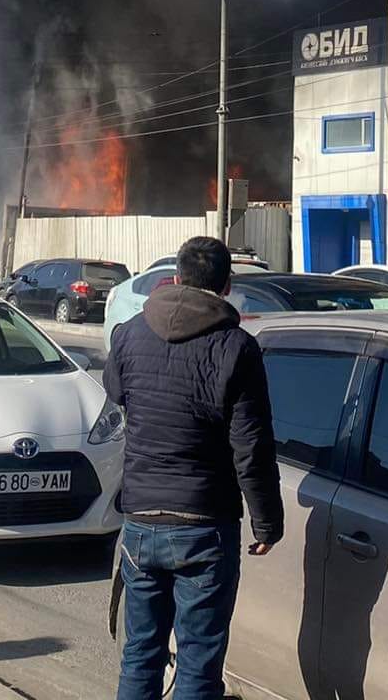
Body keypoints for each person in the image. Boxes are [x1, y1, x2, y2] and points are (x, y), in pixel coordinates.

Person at [105, 235, 280, 700]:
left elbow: (117, 392)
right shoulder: (237, 347)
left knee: (140, 654)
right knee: (198, 664)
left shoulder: (128, 334)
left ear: (176, 277)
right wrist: (266, 522)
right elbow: (251, 446)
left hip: (141, 518)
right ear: (227, 285)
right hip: (204, 524)